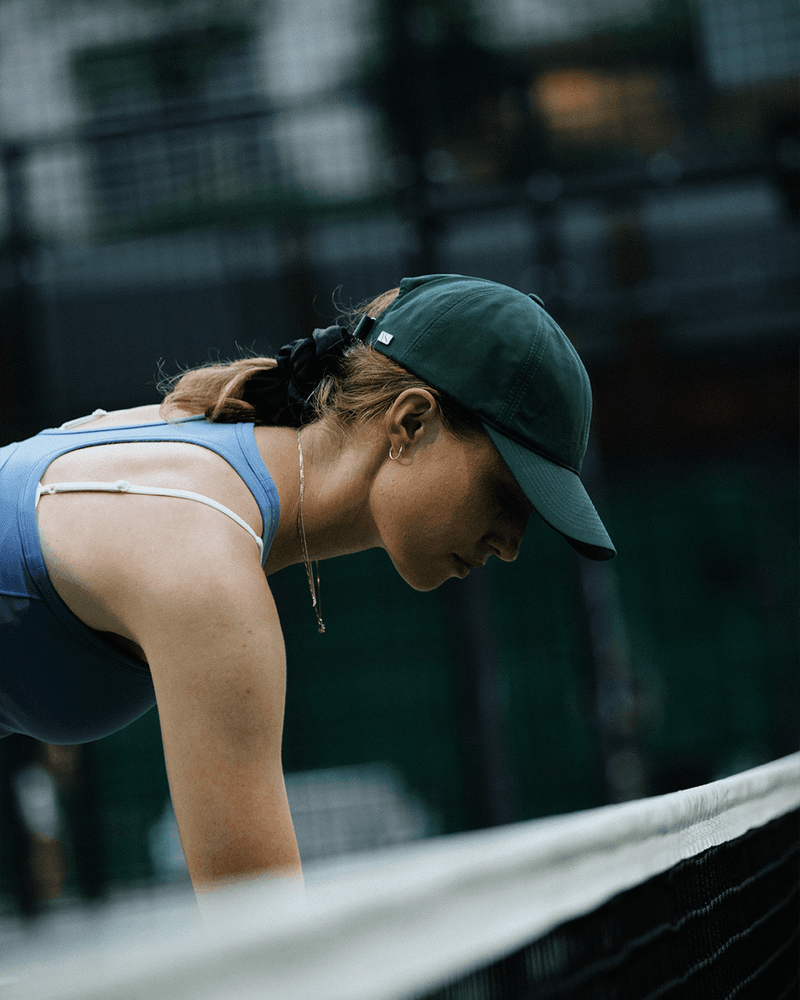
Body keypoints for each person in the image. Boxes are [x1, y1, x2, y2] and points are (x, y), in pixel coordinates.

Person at [0, 273, 615, 894]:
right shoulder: (205, 567)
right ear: (409, 424)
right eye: (504, 495)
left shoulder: (198, 458)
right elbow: (261, 943)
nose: (509, 545)